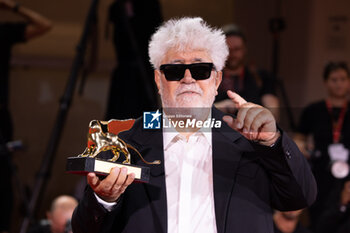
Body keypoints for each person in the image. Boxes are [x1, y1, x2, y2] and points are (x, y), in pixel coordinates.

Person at [72, 17, 316, 233]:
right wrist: (104, 199)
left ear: (217, 78)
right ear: (158, 79)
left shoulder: (251, 139)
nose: (188, 78)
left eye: (200, 69)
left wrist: (272, 142)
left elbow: (301, 196)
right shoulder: (125, 142)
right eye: (174, 70)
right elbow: (85, 228)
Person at [0, 1, 52, 232]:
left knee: (4, 176)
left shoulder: (3, 32)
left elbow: (44, 24)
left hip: (0, 116)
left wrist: (13, 7)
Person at [294, 61, 350, 230]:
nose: (339, 84)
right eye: (334, 79)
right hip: (321, 174)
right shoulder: (314, 110)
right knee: (319, 221)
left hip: (348, 175)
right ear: (326, 82)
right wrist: (303, 149)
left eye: (342, 79)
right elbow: (299, 138)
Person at [105, 0, 163, 120]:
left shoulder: (150, 7)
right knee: (119, 124)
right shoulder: (118, 8)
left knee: (147, 126)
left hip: (143, 75)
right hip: (125, 76)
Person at [214, 24, 279, 117]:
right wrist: (217, 108)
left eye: (237, 49)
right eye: (228, 49)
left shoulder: (261, 77)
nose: (232, 54)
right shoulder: (208, 77)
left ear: (244, 50)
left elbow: (273, 111)